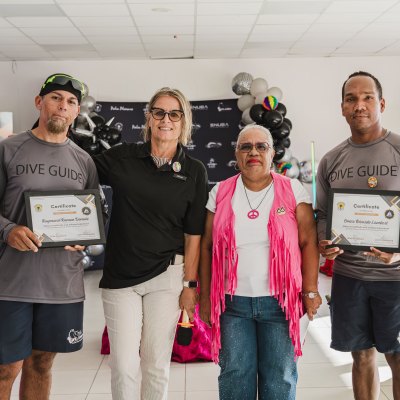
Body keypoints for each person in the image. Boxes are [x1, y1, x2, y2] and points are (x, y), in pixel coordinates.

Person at [93, 87, 208, 399]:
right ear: (149, 117)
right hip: (121, 279)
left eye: (174, 113)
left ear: (184, 121)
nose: (165, 119)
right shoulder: (122, 158)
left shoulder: (195, 170)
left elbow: (194, 234)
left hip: (168, 277)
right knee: (123, 366)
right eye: (159, 112)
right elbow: (78, 172)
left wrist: (190, 284)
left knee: (156, 364)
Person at [199, 124, 321, 400]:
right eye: (246, 146)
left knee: (279, 379)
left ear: (272, 153)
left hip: (280, 303)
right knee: (234, 376)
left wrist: (310, 290)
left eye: (260, 146)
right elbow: (206, 246)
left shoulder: (292, 190)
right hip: (232, 304)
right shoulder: (220, 192)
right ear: (236, 154)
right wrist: (205, 296)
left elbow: (308, 242)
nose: (253, 152)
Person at [0, 74, 101, 399]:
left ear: (77, 113)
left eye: (71, 102)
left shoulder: (83, 161)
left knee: (42, 363)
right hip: (12, 282)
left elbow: (94, 213)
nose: (63, 106)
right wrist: (9, 230)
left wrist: (84, 236)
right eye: (56, 97)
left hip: (62, 284)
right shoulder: (9, 150)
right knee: (6, 368)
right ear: (39, 102)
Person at [317, 71, 400, 400]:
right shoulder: (331, 159)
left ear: (381, 103)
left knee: (396, 355)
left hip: (395, 277)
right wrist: (326, 242)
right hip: (350, 276)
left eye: (367, 97)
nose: (359, 105)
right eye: (351, 99)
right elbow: (323, 215)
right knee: (361, 354)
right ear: (342, 108)